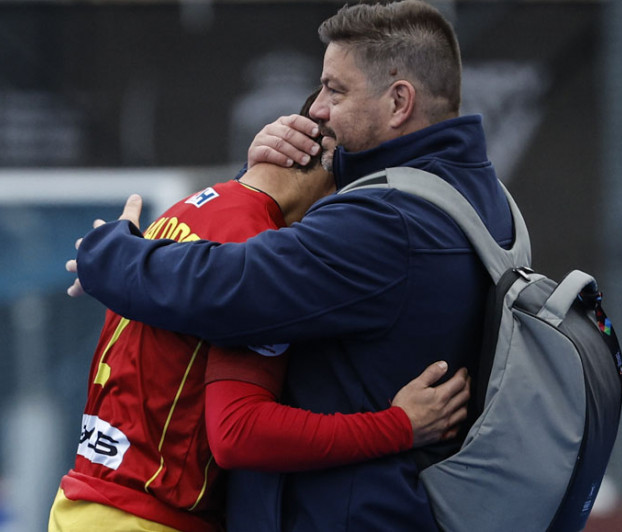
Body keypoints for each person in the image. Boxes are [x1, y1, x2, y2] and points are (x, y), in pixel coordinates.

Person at [73, 1, 514, 530]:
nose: (319, 110)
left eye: (336, 90)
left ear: (399, 102)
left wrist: (106, 253)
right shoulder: (482, 197)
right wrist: (265, 181)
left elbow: (229, 289)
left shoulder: (383, 222)